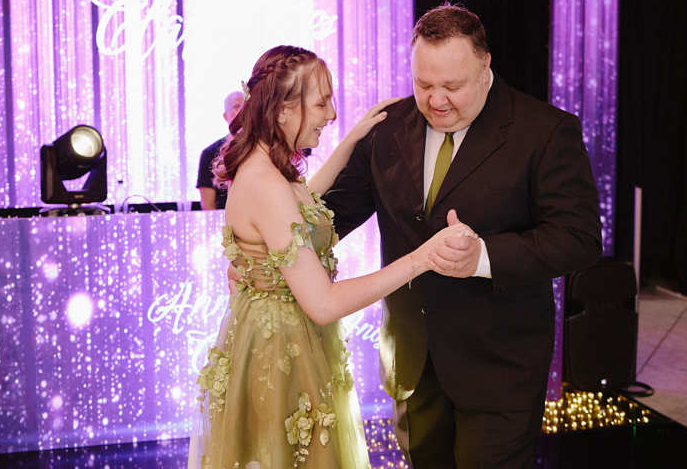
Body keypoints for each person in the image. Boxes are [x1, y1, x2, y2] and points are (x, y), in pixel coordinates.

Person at [324, 3, 603, 469]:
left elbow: (578, 237)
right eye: (423, 84)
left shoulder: (545, 131)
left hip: (500, 365)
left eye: (452, 86)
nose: (436, 101)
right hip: (412, 362)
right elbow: (331, 217)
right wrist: (268, 254)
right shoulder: (387, 128)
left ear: (485, 65)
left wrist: (483, 257)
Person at [188, 45, 476, 469]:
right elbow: (323, 304)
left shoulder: (269, 169)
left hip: (283, 340)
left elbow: (303, 205)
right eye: (322, 103)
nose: (331, 114)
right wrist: (421, 258)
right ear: (284, 109)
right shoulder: (265, 182)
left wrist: (351, 141)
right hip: (281, 354)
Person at [196, 91, 245, 210]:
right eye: (237, 107)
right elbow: (208, 204)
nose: (242, 112)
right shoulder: (210, 154)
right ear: (225, 116)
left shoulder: (262, 147)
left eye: (246, 107)